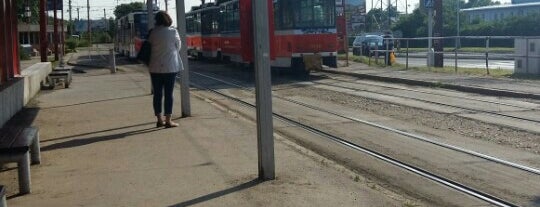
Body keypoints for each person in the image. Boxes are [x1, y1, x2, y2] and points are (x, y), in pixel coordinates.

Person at [148, 11, 183, 128]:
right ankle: (168, 120)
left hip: (155, 68)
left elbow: (149, 46)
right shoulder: (173, 31)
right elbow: (178, 47)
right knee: (169, 94)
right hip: (170, 67)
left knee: (157, 94)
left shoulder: (153, 32)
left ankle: (159, 119)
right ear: (168, 19)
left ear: (156, 20)